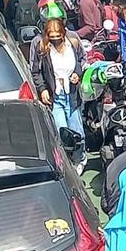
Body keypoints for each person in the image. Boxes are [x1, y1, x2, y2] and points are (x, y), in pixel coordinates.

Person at [32, 17, 87, 169]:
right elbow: (36, 72)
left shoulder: (73, 43)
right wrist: (42, 89)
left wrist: (77, 73)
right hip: (55, 96)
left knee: (77, 133)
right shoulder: (42, 48)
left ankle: (79, 158)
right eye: (52, 36)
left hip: (72, 95)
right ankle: (67, 163)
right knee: (61, 132)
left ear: (63, 33)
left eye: (58, 36)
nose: (55, 40)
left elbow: (81, 61)